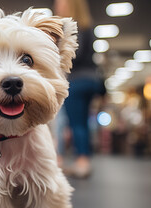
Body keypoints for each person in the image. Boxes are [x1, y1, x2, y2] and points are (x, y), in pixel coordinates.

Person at [54, 0, 105, 178]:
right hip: (91, 80)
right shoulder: (88, 26)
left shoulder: (71, 28)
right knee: (83, 122)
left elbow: (75, 55)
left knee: (76, 123)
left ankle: (82, 161)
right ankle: (84, 159)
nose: (57, 6)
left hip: (77, 80)